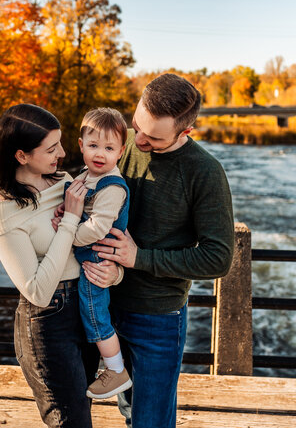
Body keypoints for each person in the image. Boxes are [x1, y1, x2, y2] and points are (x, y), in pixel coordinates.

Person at [92, 73, 235, 428]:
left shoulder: (205, 172)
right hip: (102, 306)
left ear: (184, 132)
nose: (137, 140)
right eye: (136, 125)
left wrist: (137, 257)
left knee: (150, 421)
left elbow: (218, 257)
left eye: (153, 137)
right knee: (124, 412)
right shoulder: (120, 141)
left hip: (157, 318)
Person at [0, 103, 121, 428]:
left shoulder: (62, 178)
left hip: (87, 306)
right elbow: (37, 290)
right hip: (48, 323)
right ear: (21, 156)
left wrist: (115, 273)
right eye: (51, 148)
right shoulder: (3, 208)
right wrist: (71, 219)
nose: (62, 152)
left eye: (60, 142)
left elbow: (93, 239)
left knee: (84, 413)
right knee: (71, 422)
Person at [57, 108, 132, 399]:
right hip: (87, 256)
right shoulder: (85, 176)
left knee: (94, 313)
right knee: (90, 313)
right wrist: (65, 211)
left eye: (109, 148)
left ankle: (116, 370)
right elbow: (76, 206)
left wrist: (68, 235)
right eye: (93, 146)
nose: (100, 153)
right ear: (81, 145)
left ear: (121, 152)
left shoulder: (112, 186)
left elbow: (99, 227)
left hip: (97, 260)